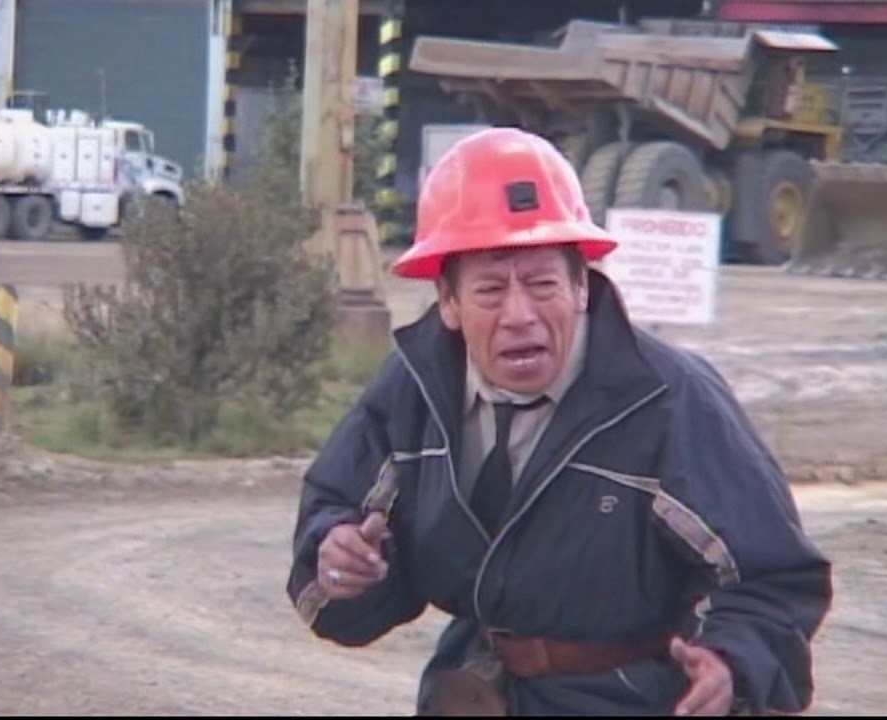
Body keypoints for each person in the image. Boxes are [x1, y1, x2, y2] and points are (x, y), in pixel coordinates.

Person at [285, 127, 833, 716]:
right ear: (447, 302)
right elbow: (335, 512)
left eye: (543, 283)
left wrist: (730, 662)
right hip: (476, 689)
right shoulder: (414, 390)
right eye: (491, 289)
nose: (520, 314)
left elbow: (774, 578)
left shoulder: (670, 400)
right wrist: (341, 559)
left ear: (580, 285)